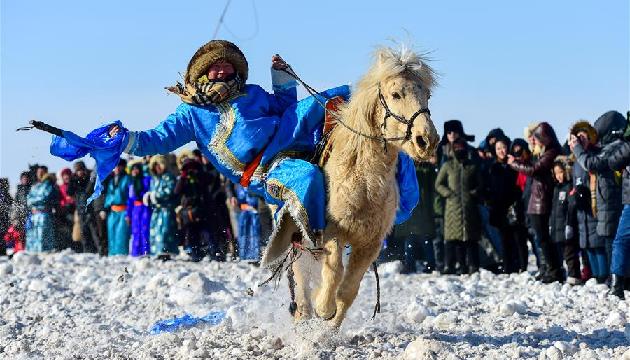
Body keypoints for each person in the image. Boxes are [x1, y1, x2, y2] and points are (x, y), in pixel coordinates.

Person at [570, 111, 625, 277]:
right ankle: (615, 279)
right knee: (611, 241)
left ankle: (616, 279)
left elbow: (592, 163)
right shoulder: (609, 147)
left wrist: (578, 148)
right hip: (606, 203)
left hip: (612, 203)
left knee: (612, 243)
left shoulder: (615, 146)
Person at [508, 122, 563, 283]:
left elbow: (534, 170)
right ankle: (548, 269)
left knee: (545, 239)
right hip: (536, 201)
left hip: (542, 201)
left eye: (537, 138)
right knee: (542, 239)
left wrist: (514, 164)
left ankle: (554, 271)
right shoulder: (545, 152)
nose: (535, 141)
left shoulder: (551, 152)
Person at [435, 138, 483, 275]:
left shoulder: (472, 166)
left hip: (469, 208)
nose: (459, 150)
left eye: (462, 147)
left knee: (470, 239)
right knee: (452, 240)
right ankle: (450, 266)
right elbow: (438, 184)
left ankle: (472, 265)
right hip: (452, 208)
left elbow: (480, 184)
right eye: (456, 148)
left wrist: (474, 193)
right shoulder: (448, 166)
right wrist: (448, 194)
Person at [568, 121, 608, 283]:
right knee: (586, 244)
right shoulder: (576, 160)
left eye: (584, 137)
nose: (581, 140)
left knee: (598, 243)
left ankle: (603, 275)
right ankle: (594, 274)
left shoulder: (594, 154)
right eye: (579, 137)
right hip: (581, 208)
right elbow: (574, 183)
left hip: (594, 205)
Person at [486, 136, 521, 273]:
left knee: (516, 238)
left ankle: (518, 264)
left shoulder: (513, 164)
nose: (501, 151)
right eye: (498, 149)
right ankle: (508, 266)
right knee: (504, 239)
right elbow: (487, 186)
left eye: (503, 148)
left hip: (513, 207)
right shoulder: (492, 167)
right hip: (498, 208)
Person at [550, 156, 581, 284]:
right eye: (556, 173)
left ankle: (574, 275)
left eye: (561, 172)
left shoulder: (569, 187)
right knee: (563, 253)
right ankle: (568, 273)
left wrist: (569, 224)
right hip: (557, 227)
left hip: (567, 226)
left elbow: (571, 207)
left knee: (570, 253)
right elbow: (554, 210)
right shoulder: (557, 188)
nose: (559, 176)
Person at [146, 155, 178, 260]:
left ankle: (166, 252)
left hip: (166, 209)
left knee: (165, 231)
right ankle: (158, 251)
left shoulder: (169, 177)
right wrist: (148, 196)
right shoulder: (154, 179)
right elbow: (152, 191)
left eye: (159, 165)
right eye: (155, 166)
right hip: (157, 210)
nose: (157, 168)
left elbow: (169, 190)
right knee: (155, 230)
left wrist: (156, 195)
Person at [67, 161, 100, 253]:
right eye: (78, 171)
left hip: (91, 210)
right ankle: (87, 251)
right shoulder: (75, 181)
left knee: (95, 232)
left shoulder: (90, 180)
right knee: (84, 233)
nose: (80, 172)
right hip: (80, 211)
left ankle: (99, 250)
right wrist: (72, 179)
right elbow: (69, 192)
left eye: (81, 170)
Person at [26, 166, 58, 253]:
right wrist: (35, 200)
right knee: (33, 236)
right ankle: (33, 254)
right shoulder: (35, 186)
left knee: (43, 236)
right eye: (38, 172)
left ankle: (44, 253)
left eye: (42, 172)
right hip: (33, 216)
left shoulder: (48, 184)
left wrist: (34, 200)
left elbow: (44, 198)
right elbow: (28, 200)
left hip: (44, 215)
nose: (40, 174)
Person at [104, 159, 130, 256]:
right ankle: (112, 253)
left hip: (123, 210)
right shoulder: (111, 181)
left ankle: (122, 253)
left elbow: (129, 196)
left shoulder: (127, 179)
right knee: (112, 233)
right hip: (112, 211)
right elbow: (108, 196)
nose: (117, 168)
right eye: (115, 166)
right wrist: (104, 208)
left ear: (123, 167)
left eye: (119, 166)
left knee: (121, 234)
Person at [127, 162, 151, 256]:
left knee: (145, 230)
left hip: (145, 207)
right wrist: (128, 215)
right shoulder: (131, 184)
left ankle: (146, 251)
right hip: (135, 209)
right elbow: (129, 200)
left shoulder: (146, 180)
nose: (135, 171)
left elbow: (148, 192)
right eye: (133, 169)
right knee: (136, 231)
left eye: (136, 169)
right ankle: (136, 253)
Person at [235, 184, 262, 262]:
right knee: (244, 233)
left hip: (257, 212)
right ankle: (245, 255)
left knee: (256, 233)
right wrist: (247, 207)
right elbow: (240, 204)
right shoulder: (240, 185)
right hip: (246, 214)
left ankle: (256, 255)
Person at [56, 168, 75, 250]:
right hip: (63, 210)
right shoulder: (60, 187)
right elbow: (60, 198)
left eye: (67, 175)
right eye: (64, 175)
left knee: (73, 229)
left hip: (73, 209)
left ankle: (74, 246)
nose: (66, 177)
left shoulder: (74, 185)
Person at [0, 178, 12, 256]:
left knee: (2, 235)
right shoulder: (6, 194)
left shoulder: (5, 194)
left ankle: (2, 251)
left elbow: (9, 205)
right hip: (4, 218)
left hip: (3, 218)